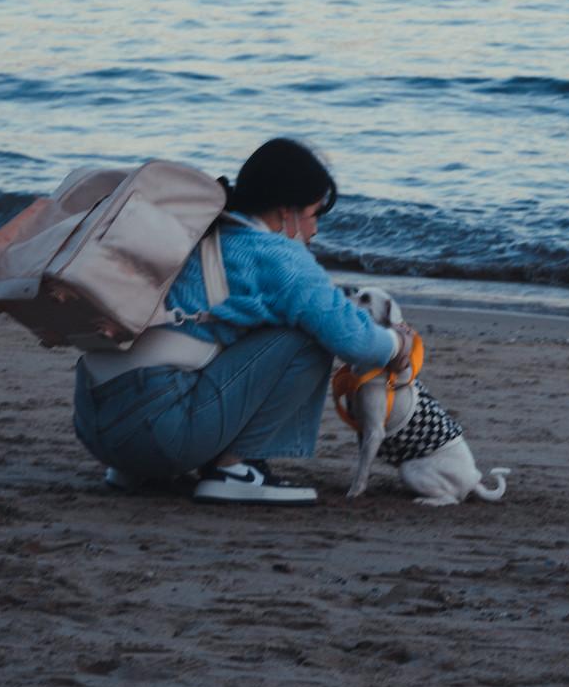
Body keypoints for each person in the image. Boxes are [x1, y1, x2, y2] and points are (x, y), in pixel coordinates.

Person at [72, 137, 413, 505]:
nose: (315, 230)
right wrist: (398, 344)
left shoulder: (199, 231)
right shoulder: (278, 257)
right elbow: (355, 341)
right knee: (310, 336)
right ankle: (235, 469)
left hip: (95, 426)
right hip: (159, 436)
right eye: (314, 215)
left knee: (227, 329)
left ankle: (134, 470)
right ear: (287, 212)